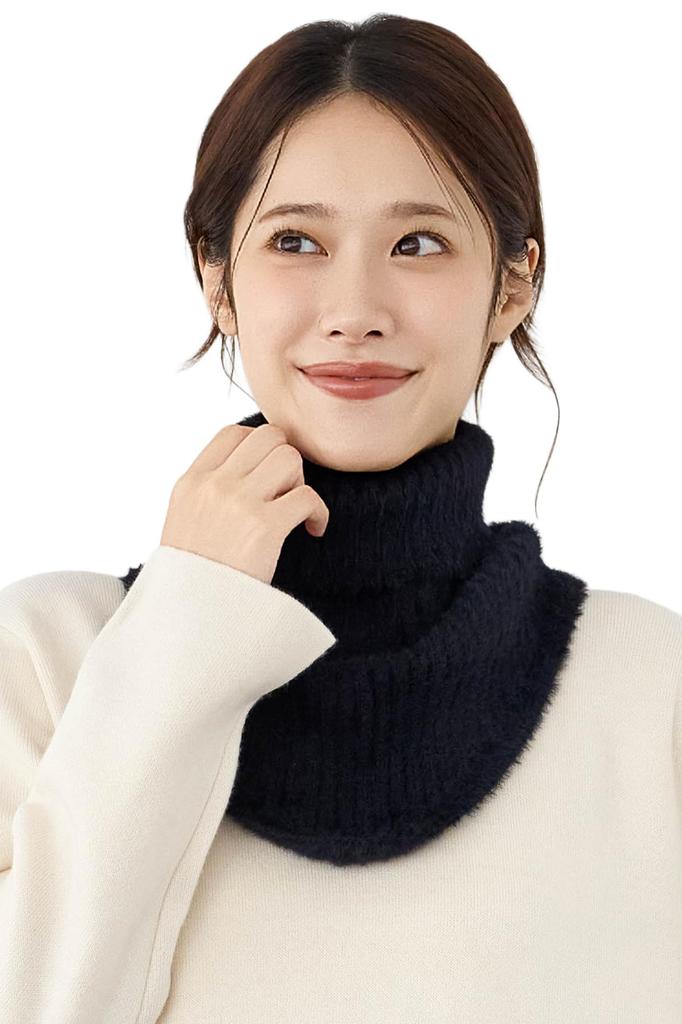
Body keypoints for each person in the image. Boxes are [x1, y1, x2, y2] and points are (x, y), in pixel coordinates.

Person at [1, 14, 680, 1023]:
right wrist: (185, 626)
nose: (355, 308)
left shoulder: (647, 685)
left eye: (418, 242)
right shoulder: (49, 661)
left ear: (512, 287)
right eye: (294, 241)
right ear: (217, 281)